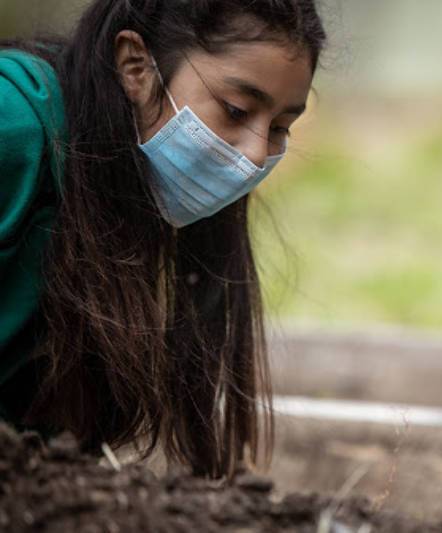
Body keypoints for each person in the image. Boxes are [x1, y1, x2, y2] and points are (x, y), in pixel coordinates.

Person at [0, 0, 325, 477]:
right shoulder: (13, 130)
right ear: (136, 67)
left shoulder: (126, 189)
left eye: (280, 128)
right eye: (236, 110)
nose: (257, 155)